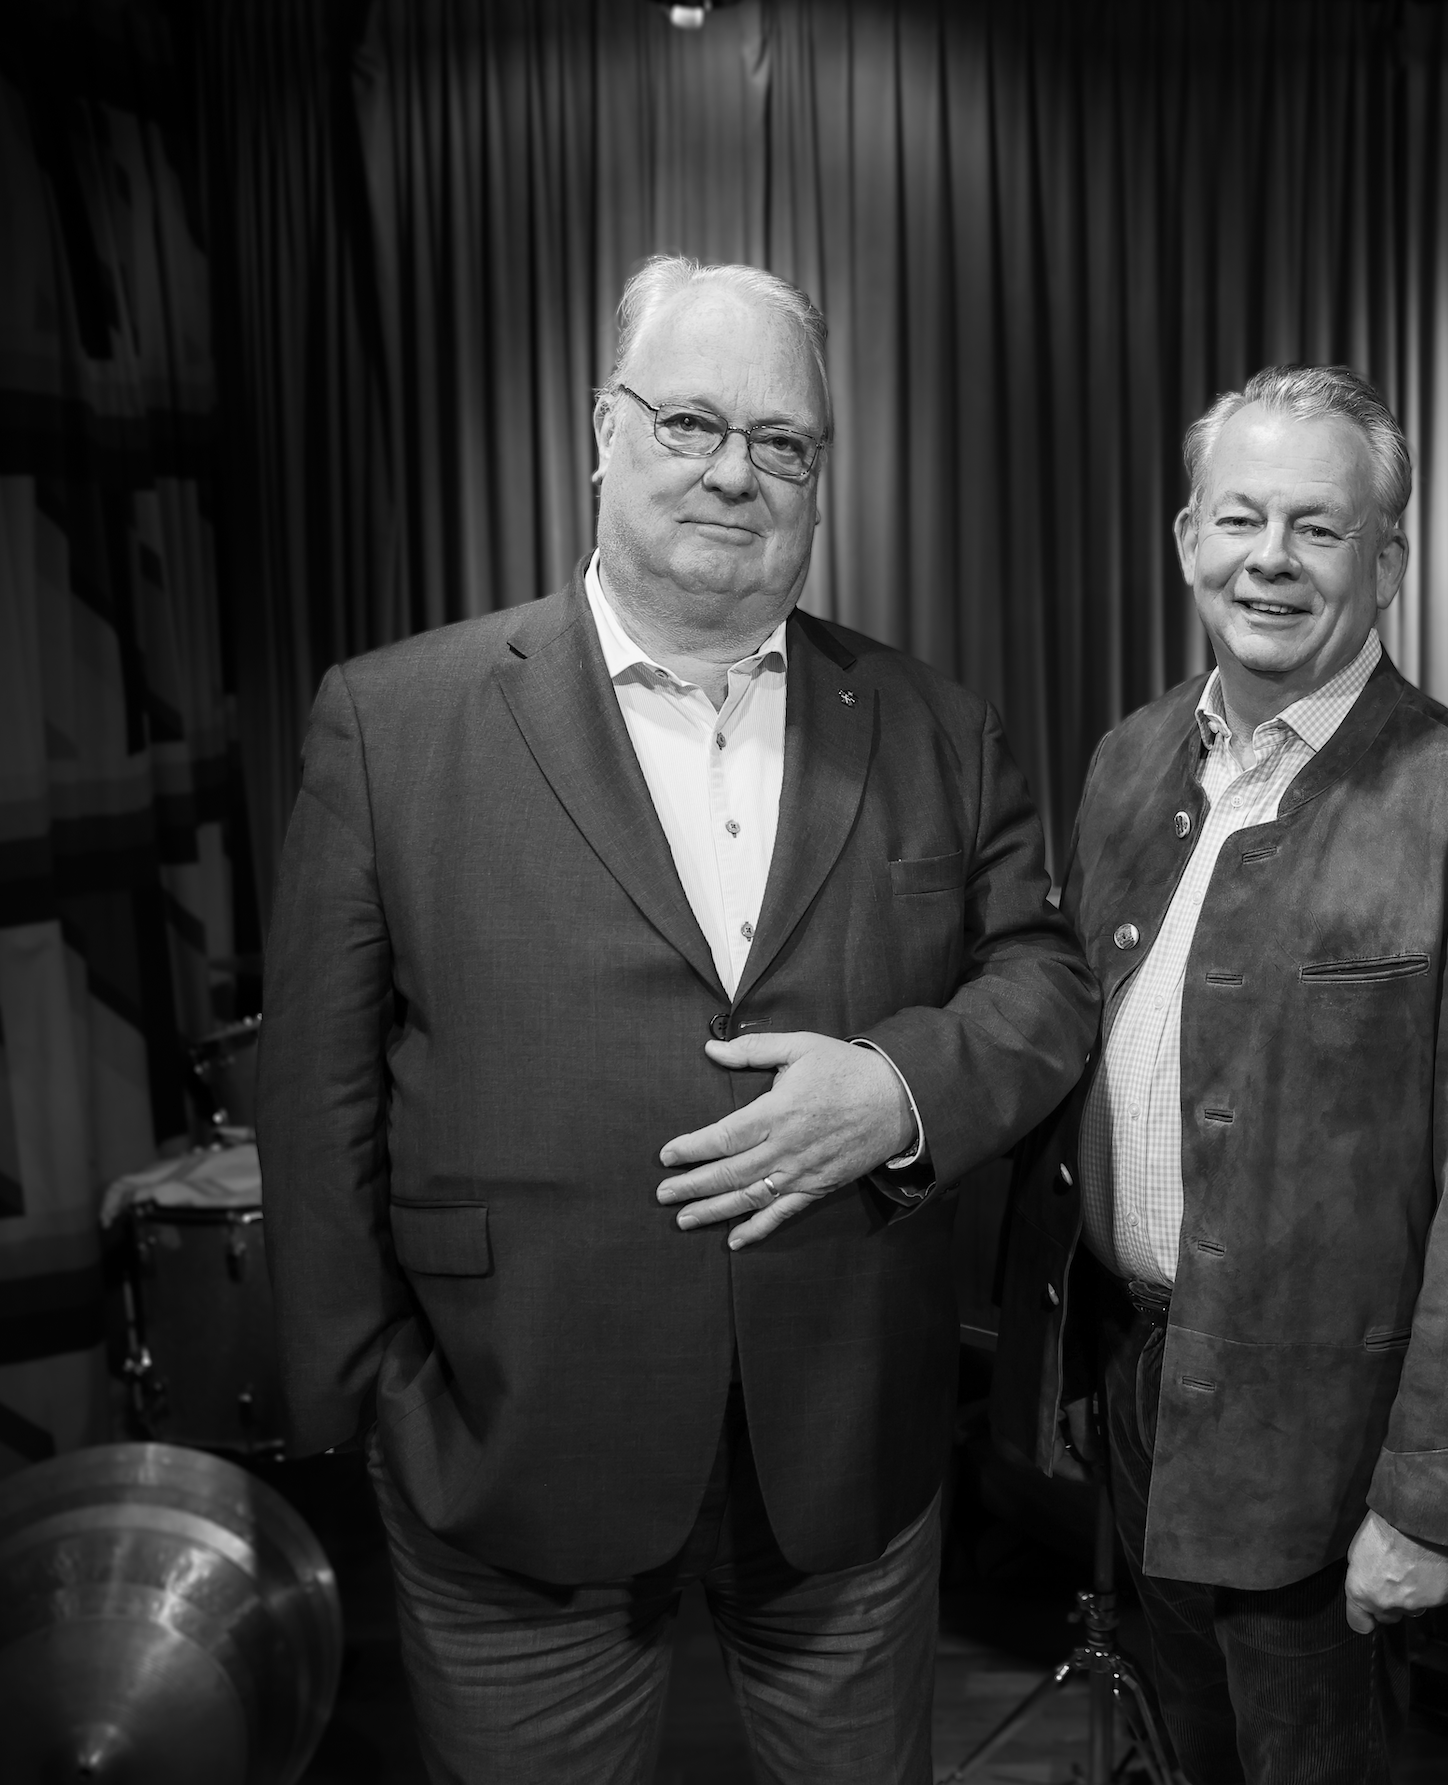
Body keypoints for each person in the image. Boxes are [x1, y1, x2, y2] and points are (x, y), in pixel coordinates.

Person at [257, 254, 1094, 1785]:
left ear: (820, 477)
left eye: (782, 441)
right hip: (508, 1454)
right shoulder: (391, 721)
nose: (733, 470)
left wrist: (900, 1090)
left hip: (844, 1454)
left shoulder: (938, 726)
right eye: (691, 422)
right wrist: (371, 1398)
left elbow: (1043, 980)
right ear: (605, 431)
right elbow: (316, 1094)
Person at [992, 365, 1448, 1785]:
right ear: (1187, 538)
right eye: (1240, 518)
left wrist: (1429, 1503)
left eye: (1319, 527)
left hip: (1328, 1443)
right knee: (1184, 1752)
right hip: (1139, 1385)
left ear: (1389, 562)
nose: (1271, 559)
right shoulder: (1131, 762)